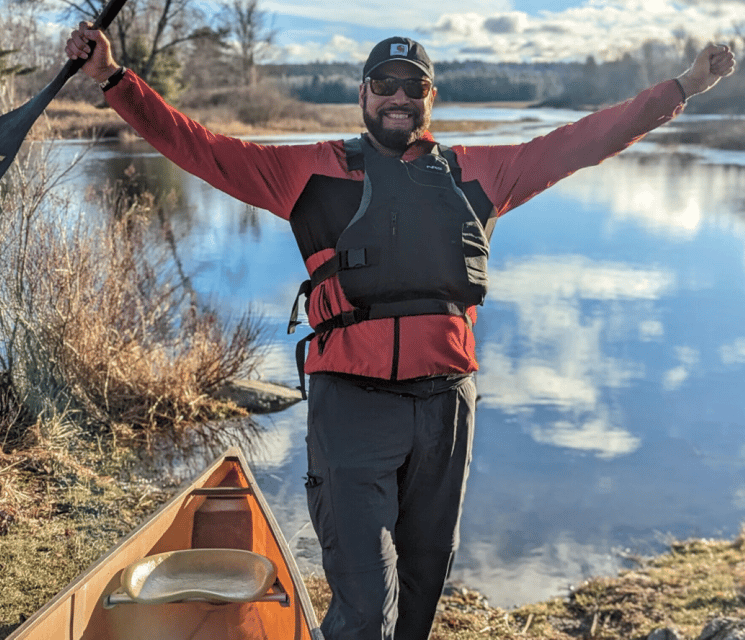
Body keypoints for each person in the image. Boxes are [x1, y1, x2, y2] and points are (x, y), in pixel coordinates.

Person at [66, 27, 735, 640]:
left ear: (428, 97)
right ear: (361, 93)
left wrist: (683, 86)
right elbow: (199, 147)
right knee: (363, 602)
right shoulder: (308, 171)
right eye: (383, 84)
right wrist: (114, 79)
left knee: (419, 592)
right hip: (350, 407)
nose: (397, 97)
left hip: (445, 407)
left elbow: (585, 140)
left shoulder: (480, 172)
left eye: (411, 86)